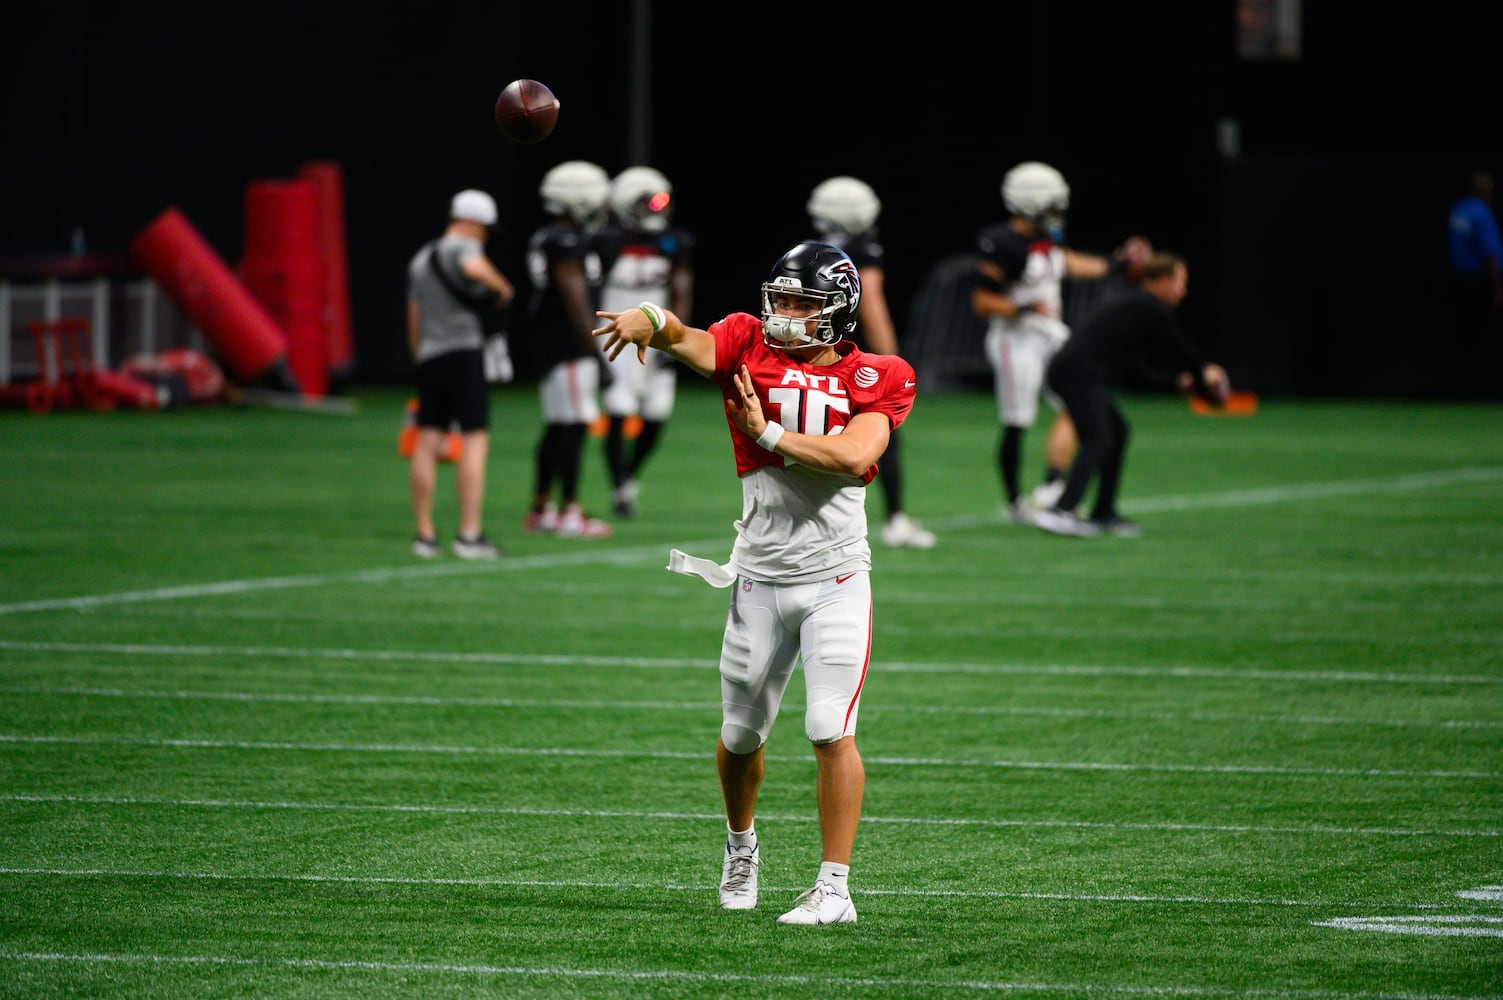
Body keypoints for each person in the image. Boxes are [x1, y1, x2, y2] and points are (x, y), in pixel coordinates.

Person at [593, 241, 917, 926]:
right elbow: (683, 337)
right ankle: (741, 846)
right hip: (760, 579)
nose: (786, 314)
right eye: (781, 299)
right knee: (740, 735)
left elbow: (855, 455)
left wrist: (766, 433)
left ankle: (835, 888)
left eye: (803, 303)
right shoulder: (745, 340)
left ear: (837, 311)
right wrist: (644, 317)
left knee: (831, 726)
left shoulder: (878, 374)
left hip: (836, 577)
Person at [970, 161, 1139, 523]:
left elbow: (1070, 264)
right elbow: (982, 302)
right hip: (1015, 340)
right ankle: (1015, 502)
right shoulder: (1003, 243)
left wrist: (1115, 264)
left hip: (1050, 336)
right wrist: (1024, 305)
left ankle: (1051, 486)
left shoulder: (1045, 240)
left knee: (1079, 402)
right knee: (1018, 419)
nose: (1058, 213)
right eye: (1052, 205)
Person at [1032, 252, 1231, 538]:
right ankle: (1060, 511)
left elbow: (1138, 367)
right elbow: (1179, 349)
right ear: (1162, 280)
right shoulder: (1149, 305)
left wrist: (1179, 382)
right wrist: (1203, 375)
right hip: (1079, 375)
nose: (1183, 291)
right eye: (1180, 282)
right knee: (1097, 438)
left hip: (1078, 373)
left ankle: (1103, 512)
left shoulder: (1136, 304)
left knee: (1118, 432)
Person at [807, 175, 936, 549]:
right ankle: (895, 518)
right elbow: (873, 305)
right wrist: (892, 363)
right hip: (852, 360)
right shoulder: (862, 251)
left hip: (809, 356)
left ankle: (810, 522)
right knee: (884, 435)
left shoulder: (809, 250)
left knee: (811, 436)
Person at [405, 188, 516, 559]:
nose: (484, 236)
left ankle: (424, 533)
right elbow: (473, 267)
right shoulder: (462, 248)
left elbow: (414, 316)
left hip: (430, 356)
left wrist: (419, 357)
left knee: (426, 441)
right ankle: (469, 534)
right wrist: (501, 287)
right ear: (470, 222)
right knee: (474, 441)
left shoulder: (420, 259)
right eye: (484, 228)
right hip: (464, 353)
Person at [594, 166, 696, 518]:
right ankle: (620, 485)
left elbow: (681, 289)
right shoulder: (605, 241)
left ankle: (628, 476)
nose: (656, 209)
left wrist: (675, 337)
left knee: (656, 413)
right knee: (620, 409)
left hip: (657, 335)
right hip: (617, 334)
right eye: (647, 203)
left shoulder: (673, 242)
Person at [522, 160, 614, 539]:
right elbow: (575, 300)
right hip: (570, 347)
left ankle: (541, 508)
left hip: (551, 344)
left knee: (558, 426)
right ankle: (570, 511)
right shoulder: (567, 241)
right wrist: (596, 353)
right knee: (575, 426)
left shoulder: (547, 237)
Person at [1446, 169, 1503, 398]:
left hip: (1458, 279)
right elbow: (1490, 252)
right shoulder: (1481, 213)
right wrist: (1498, 285)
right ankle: (1480, 390)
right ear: (1485, 191)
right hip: (1478, 280)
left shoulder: (1458, 210)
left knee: (1463, 335)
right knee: (1481, 336)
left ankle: (1461, 388)